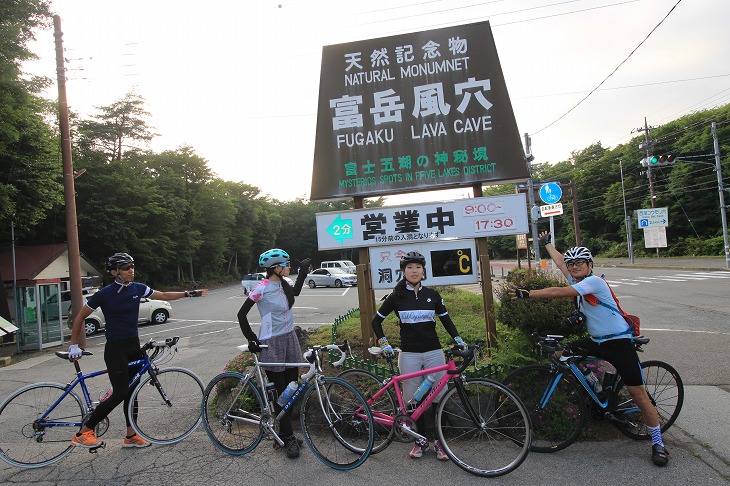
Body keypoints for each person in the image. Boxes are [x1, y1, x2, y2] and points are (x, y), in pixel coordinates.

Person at [512, 232, 670, 467]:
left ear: (590, 265)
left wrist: (528, 294)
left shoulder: (594, 283)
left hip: (618, 342)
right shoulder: (577, 280)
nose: (574, 267)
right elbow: (559, 262)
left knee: (639, 395)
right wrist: (548, 244)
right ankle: (599, 389)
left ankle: (658, 443)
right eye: (572, 264)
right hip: (597, 341)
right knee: (560, 354)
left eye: (579, 263)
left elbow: (558, 292)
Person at [67, 252, 208, 449]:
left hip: (133, 346)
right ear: (114, 272)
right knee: (120, 392)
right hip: (115, 349)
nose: (131, 271)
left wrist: (188, 293)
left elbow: (163, 295)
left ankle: (131, 435)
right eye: (126, 268)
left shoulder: (137, 288)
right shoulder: (104, 294)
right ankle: (85, 431)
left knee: (132, 392)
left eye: (132, 266)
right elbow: (80, 318)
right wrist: (74, 345)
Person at [371, 251, 466, 461]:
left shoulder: (432, 294)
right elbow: (375, 322)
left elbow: (446, 321)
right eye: (410, 268)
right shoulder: (396, 297)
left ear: (424, 271)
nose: (414, 271)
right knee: (414, 403)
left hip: (434, 353)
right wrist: (384, 343)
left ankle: (440, 443)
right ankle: (420, 441)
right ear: (403, 271)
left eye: (418, 267)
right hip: (409, 355)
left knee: (438, 399)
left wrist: (458, 339)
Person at [237, 248, 310, 459]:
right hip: (272, 343)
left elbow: (295, 292)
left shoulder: (284, 284)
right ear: (276, 268)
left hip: (289, 339)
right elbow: (241, 314)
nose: (289, 268)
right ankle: (287, 439)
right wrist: (252, 339)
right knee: (281, 393)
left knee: (291, 390)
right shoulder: (262, 287)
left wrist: (303, 272)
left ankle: (283, 433)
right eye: (286, 265)